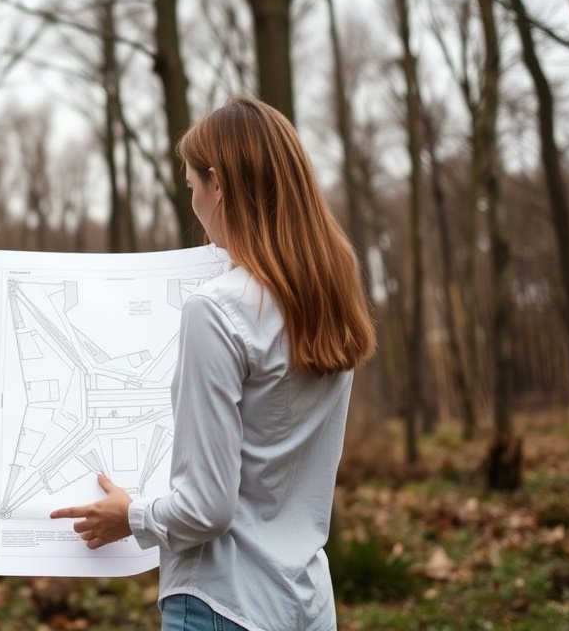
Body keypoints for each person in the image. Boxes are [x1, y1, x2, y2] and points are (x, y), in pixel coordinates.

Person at [51, 97, 375, 631]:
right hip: (307, 604)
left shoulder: (217, 309)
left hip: (223, 604)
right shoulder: (328, 302)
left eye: (192, 187)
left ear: (218, 185)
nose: (194, 204)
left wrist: (130, 516)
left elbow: (206, 509)